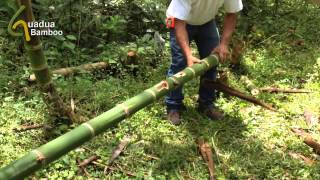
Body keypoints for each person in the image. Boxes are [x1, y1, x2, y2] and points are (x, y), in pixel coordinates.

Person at [165, 0, 243, 125]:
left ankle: (206, 104)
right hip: (180, 21)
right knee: (179, 63)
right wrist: (189, 56)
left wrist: (224, 44)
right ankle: (173, 107)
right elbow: (179, 24)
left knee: (212, 61)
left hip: (206, 22)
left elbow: (232, 13)